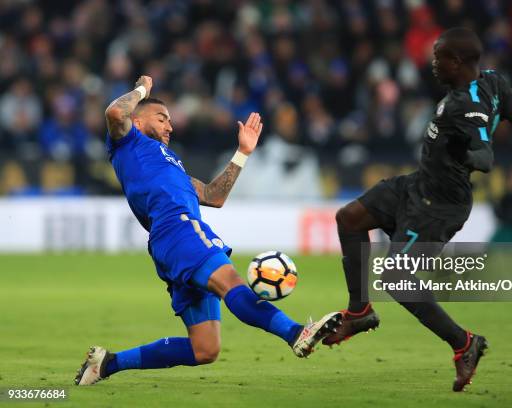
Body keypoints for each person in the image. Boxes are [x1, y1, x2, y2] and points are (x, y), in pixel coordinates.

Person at [324, 27, 512, 392]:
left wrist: (468, 153)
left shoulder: (468, 106)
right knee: (349, 219)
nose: (432, 64)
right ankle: (359, 311)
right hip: (417, 186)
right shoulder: (493, 82)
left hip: (438, 206)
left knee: (396, 278)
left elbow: (486, 158)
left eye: (437, 58)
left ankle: (464, 343)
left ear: (456, 62)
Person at [75, 76, 341, 386]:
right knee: (231, 282)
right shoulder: (128, 142)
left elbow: (215, 196)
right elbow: (115, 114)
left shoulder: (171, 163)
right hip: (179, 229)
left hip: (172, 242)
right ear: (138, 119)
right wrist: (143, 89)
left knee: (205, 348)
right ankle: (296, 333)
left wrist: (242, 153)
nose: (170, 127)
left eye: (170, 121)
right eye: (162, 118)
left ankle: (107, 364)